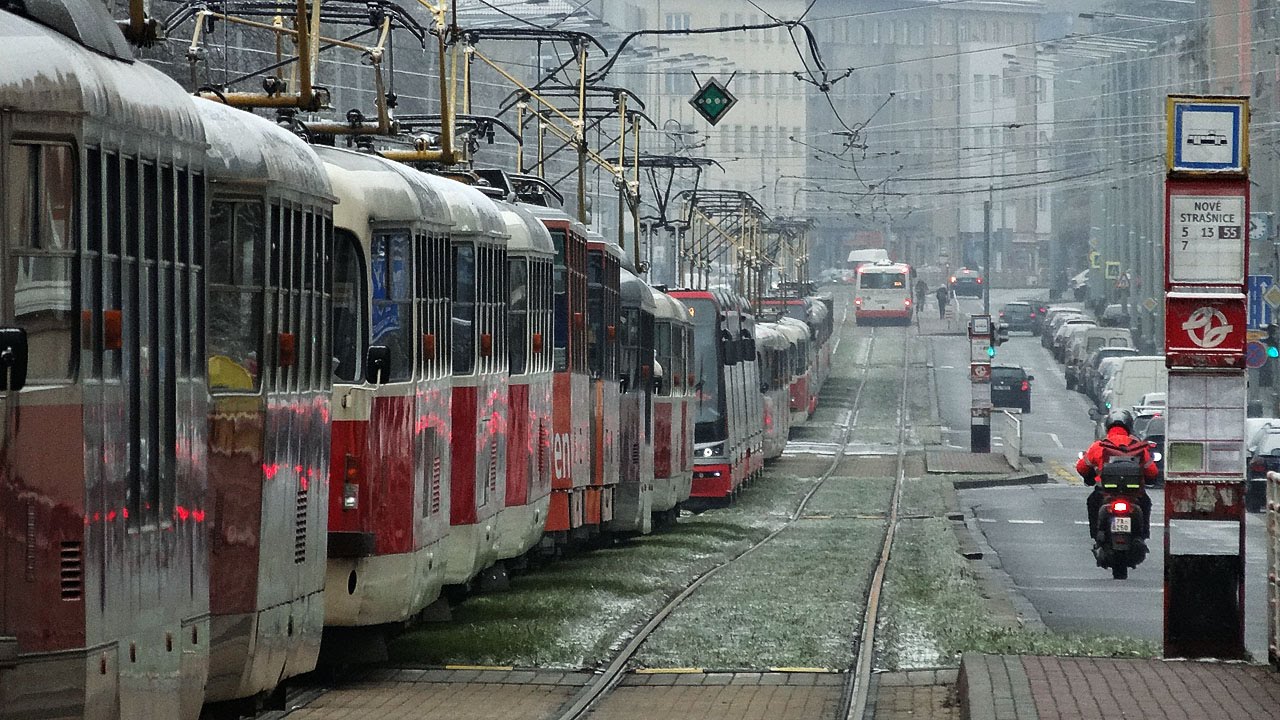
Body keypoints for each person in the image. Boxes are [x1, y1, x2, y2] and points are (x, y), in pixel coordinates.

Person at [1076, 409, 1158, 543]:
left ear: (1108, 426)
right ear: (1129, 426)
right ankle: (1142, 536)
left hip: (1105, 493)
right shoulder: (1138, 446)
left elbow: (1081, 467)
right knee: (1146, 502)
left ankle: (1096, 535)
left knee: (1092, 502)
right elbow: (1152, 472)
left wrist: (1090, 476)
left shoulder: (1099, 445)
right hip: (1134, 494)